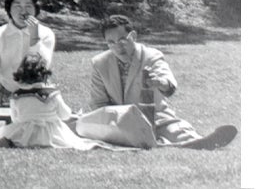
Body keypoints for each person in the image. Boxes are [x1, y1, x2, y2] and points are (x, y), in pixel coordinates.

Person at [88, 15, 237, 150]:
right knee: (129, 138)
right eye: (111, 43)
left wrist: (159, 82)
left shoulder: (151, 56)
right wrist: (115, 123)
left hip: (157, 118)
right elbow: (98, 104)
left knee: (179, 131)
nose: (118, 47)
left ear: (133, 36)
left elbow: (169, 84)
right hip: (121, 124)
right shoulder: (100, 63)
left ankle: (201, 141)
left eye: (122, 40)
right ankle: (164, 143)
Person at [0, 53, 101, 149]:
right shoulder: (52, 94)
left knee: (2, 134)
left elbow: (15, 119)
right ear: (45, 75)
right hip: (51, 133)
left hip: (25, 133)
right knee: (72, 140)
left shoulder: (16, 96)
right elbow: (65, 115)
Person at [0, 0, 56, 108]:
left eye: (28, 6)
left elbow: (40, 67)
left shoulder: (46, 34)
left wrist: (34, 37)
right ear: (9, 9)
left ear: (35, 9)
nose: (23, 11)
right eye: (17, 6)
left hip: (39, 94)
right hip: (7, 93)